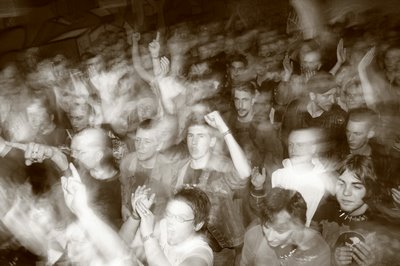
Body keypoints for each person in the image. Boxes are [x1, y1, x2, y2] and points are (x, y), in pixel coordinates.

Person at [313, 154, 400, 266]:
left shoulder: (385, 224)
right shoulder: (324, 213)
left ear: (370, 189)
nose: (346, 192)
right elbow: (306, 255)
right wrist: (330, 259)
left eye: (357, 186)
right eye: (341, 183)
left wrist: (375, 264)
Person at [250, 128, 336, 226]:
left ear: (313, 148)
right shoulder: (277, 175)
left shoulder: (326, 181)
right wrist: (258, 187)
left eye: (300, 145)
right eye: (290, 144)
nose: (293, 150)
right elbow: (262, 212)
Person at [120, 185, 213, 266]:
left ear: (197, 225)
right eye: (169, 214)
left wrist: (148, 236)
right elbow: (121, 241)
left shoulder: (201, 253)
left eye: (180, 218)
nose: (170, 222)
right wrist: (136, 215)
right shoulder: (164, 225)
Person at [240, 187, 331, 266]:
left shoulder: (319, 250)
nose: (270, 237)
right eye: (266, 226)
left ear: (297, 227)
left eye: (279, 231)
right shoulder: (253, 237)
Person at [119, 119, 179, 221]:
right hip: (131, 219)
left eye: (147, 141)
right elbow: (123, 185)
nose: (140, 146)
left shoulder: (170, 170)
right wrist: (124, 205)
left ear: (159, 145)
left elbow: (174, 204)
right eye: (138, 140)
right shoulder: (127, 161)